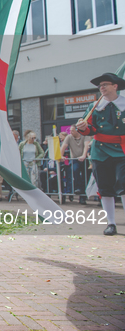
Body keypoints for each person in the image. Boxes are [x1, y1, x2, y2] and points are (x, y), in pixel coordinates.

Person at [76, 73, 125, 236]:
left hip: (123, 149)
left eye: (105, 84)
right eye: (100, 86)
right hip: (101, 151)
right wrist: (82, 127)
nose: (101, 88)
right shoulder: (94, 107)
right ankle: (111, 223)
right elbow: (90, 129)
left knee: (124, 184)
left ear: (115, 86)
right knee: (105, 188)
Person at [60, 125, 90, 204]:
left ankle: (83, 197)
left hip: (84, 159)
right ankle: (78, 188)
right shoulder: (69, 137)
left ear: (77, 130)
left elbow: (86, 146)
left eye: (72, 130)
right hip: (75, 159)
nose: (70, 132)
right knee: (74, 170)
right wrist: (61, 155)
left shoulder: (85, 135)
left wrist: (84, 155)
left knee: (85, 177)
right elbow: (63, 146)